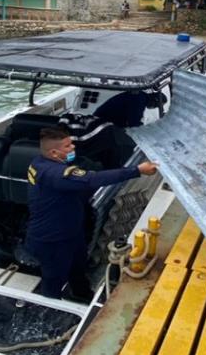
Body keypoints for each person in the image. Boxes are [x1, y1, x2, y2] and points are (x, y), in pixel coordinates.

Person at [26, 128, 159, 300]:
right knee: (54, 278)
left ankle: (82, 294)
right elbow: (92, 179)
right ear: (54, 152)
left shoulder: (39, 162)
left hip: (70, 231)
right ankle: (50, 307)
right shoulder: (56, 174)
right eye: (67, 146)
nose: (73, 147)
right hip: (52, 239)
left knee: (78, 267)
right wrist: (137, 170)